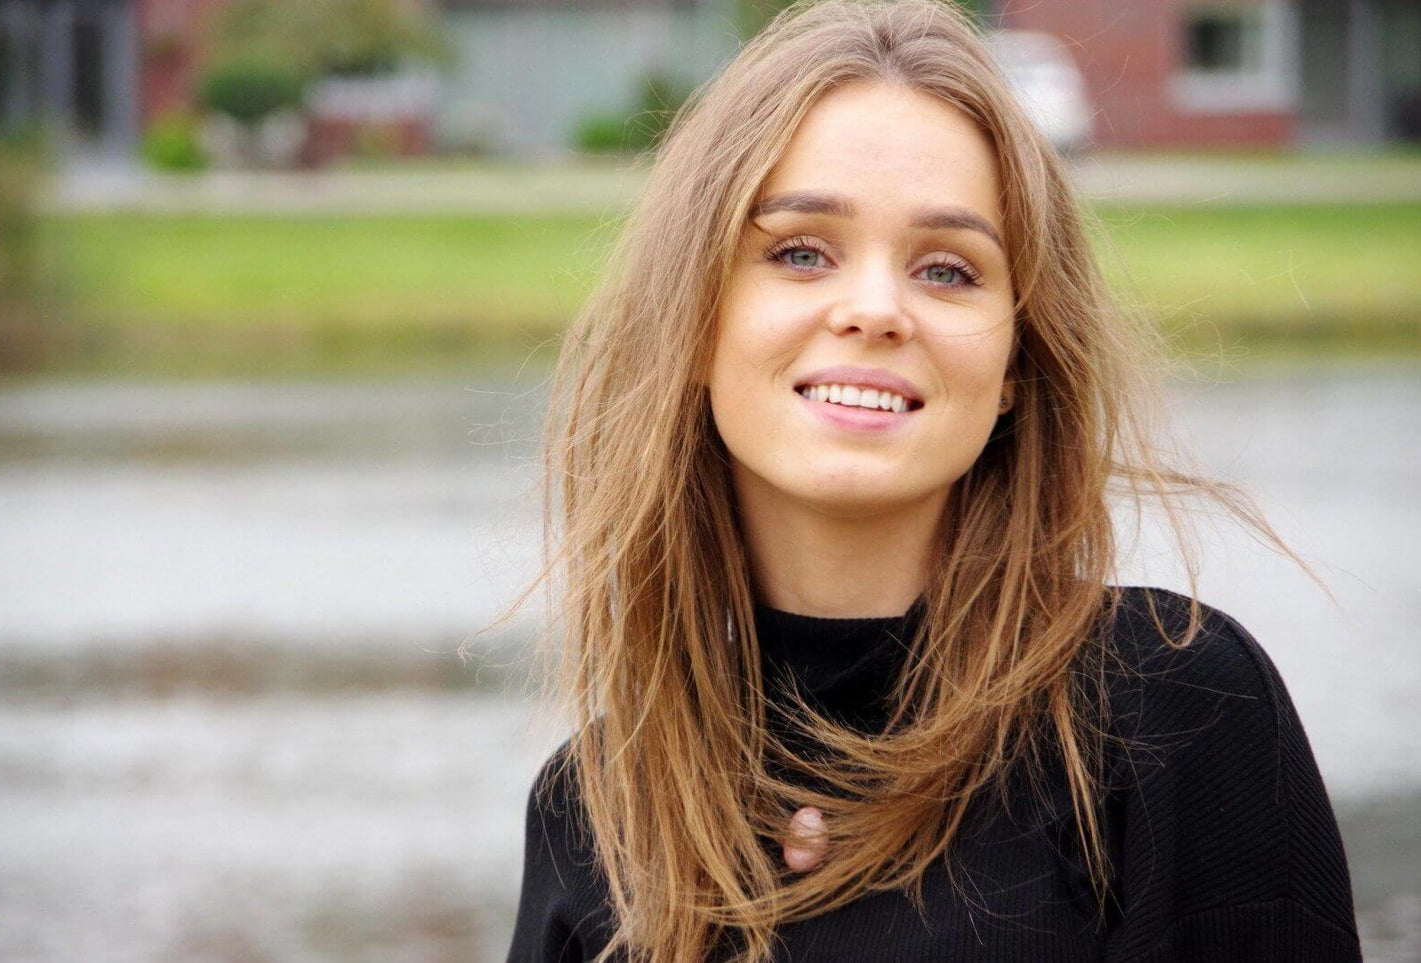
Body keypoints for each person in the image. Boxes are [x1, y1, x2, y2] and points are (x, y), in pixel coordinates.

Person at [497, 0, 1362, 959]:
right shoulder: (594, 808)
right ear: (694, 321)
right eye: (799, 252)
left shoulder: (1168, 708)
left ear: (1015, 362)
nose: (874, 309)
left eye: (947, 270)